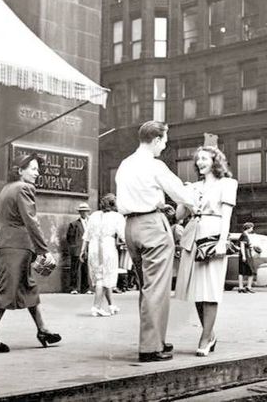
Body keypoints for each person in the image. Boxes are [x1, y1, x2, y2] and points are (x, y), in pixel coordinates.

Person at [115, 120, 196, 363]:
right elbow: (179, 192)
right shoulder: (155, 165)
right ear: (157, 140)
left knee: (146, 287)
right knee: (157, 289)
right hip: (152, 226)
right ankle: (150, 347)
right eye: (164, 141)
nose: (165, 146)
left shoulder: (125, 164)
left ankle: (156, 338)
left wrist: (157, 201)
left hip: (130, 227)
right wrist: (195, 198)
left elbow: (130, 195)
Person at [0, 153, 60, 353]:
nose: (37, 173)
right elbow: (31, 221)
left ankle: (43, 329)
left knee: (28, 286)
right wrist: (44, 250)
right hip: (18, 246)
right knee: (8, 288)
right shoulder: (25, 188)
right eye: (33, 169)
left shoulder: (4, 190)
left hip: (4, 244)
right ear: (20, 171)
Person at [175, 146, 238, 357]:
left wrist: (222, 241)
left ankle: (205, 336)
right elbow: (179, 215)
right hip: (193, 238)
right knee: (197, 291)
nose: (200, 162)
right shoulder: (193, 187)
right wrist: (183, 195)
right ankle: (209, 334)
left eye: (205, 158)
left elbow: (227, 216)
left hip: (212, 237)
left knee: (210, 289)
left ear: (215, 161)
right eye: (198, 159)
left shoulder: (227, 184)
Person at [79, 193, 125, 316]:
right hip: (107, 246)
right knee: (104, 277)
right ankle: (96, 307)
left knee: (103, 276)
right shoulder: (117, 217)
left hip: (93, 247)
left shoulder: (94, 215)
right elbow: (123, 235)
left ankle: (111, 305)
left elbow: (87, 236)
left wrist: (83, 251)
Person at [66, 202, 91, 294]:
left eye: (85, 211)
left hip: (88, 249)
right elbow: (69, 238)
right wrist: (74, 248)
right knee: (75, 269)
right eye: (82, 211)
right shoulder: (74, 224)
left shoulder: (91, 223)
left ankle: (86, 288)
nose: (84, 213)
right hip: (77, 249)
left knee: (86, 269)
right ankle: (74, 288)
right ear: (79, 213)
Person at [237, 222, 255, 293]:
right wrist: (244, 256)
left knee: (249, 270)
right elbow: (242, 246)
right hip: (245, 254)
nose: (252, 229)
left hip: (248, 253)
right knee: (244, 270)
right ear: (248, 228)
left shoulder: (246, 235)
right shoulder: (244, 235)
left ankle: (246, 286)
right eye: (251, 227)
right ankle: (242, 287)